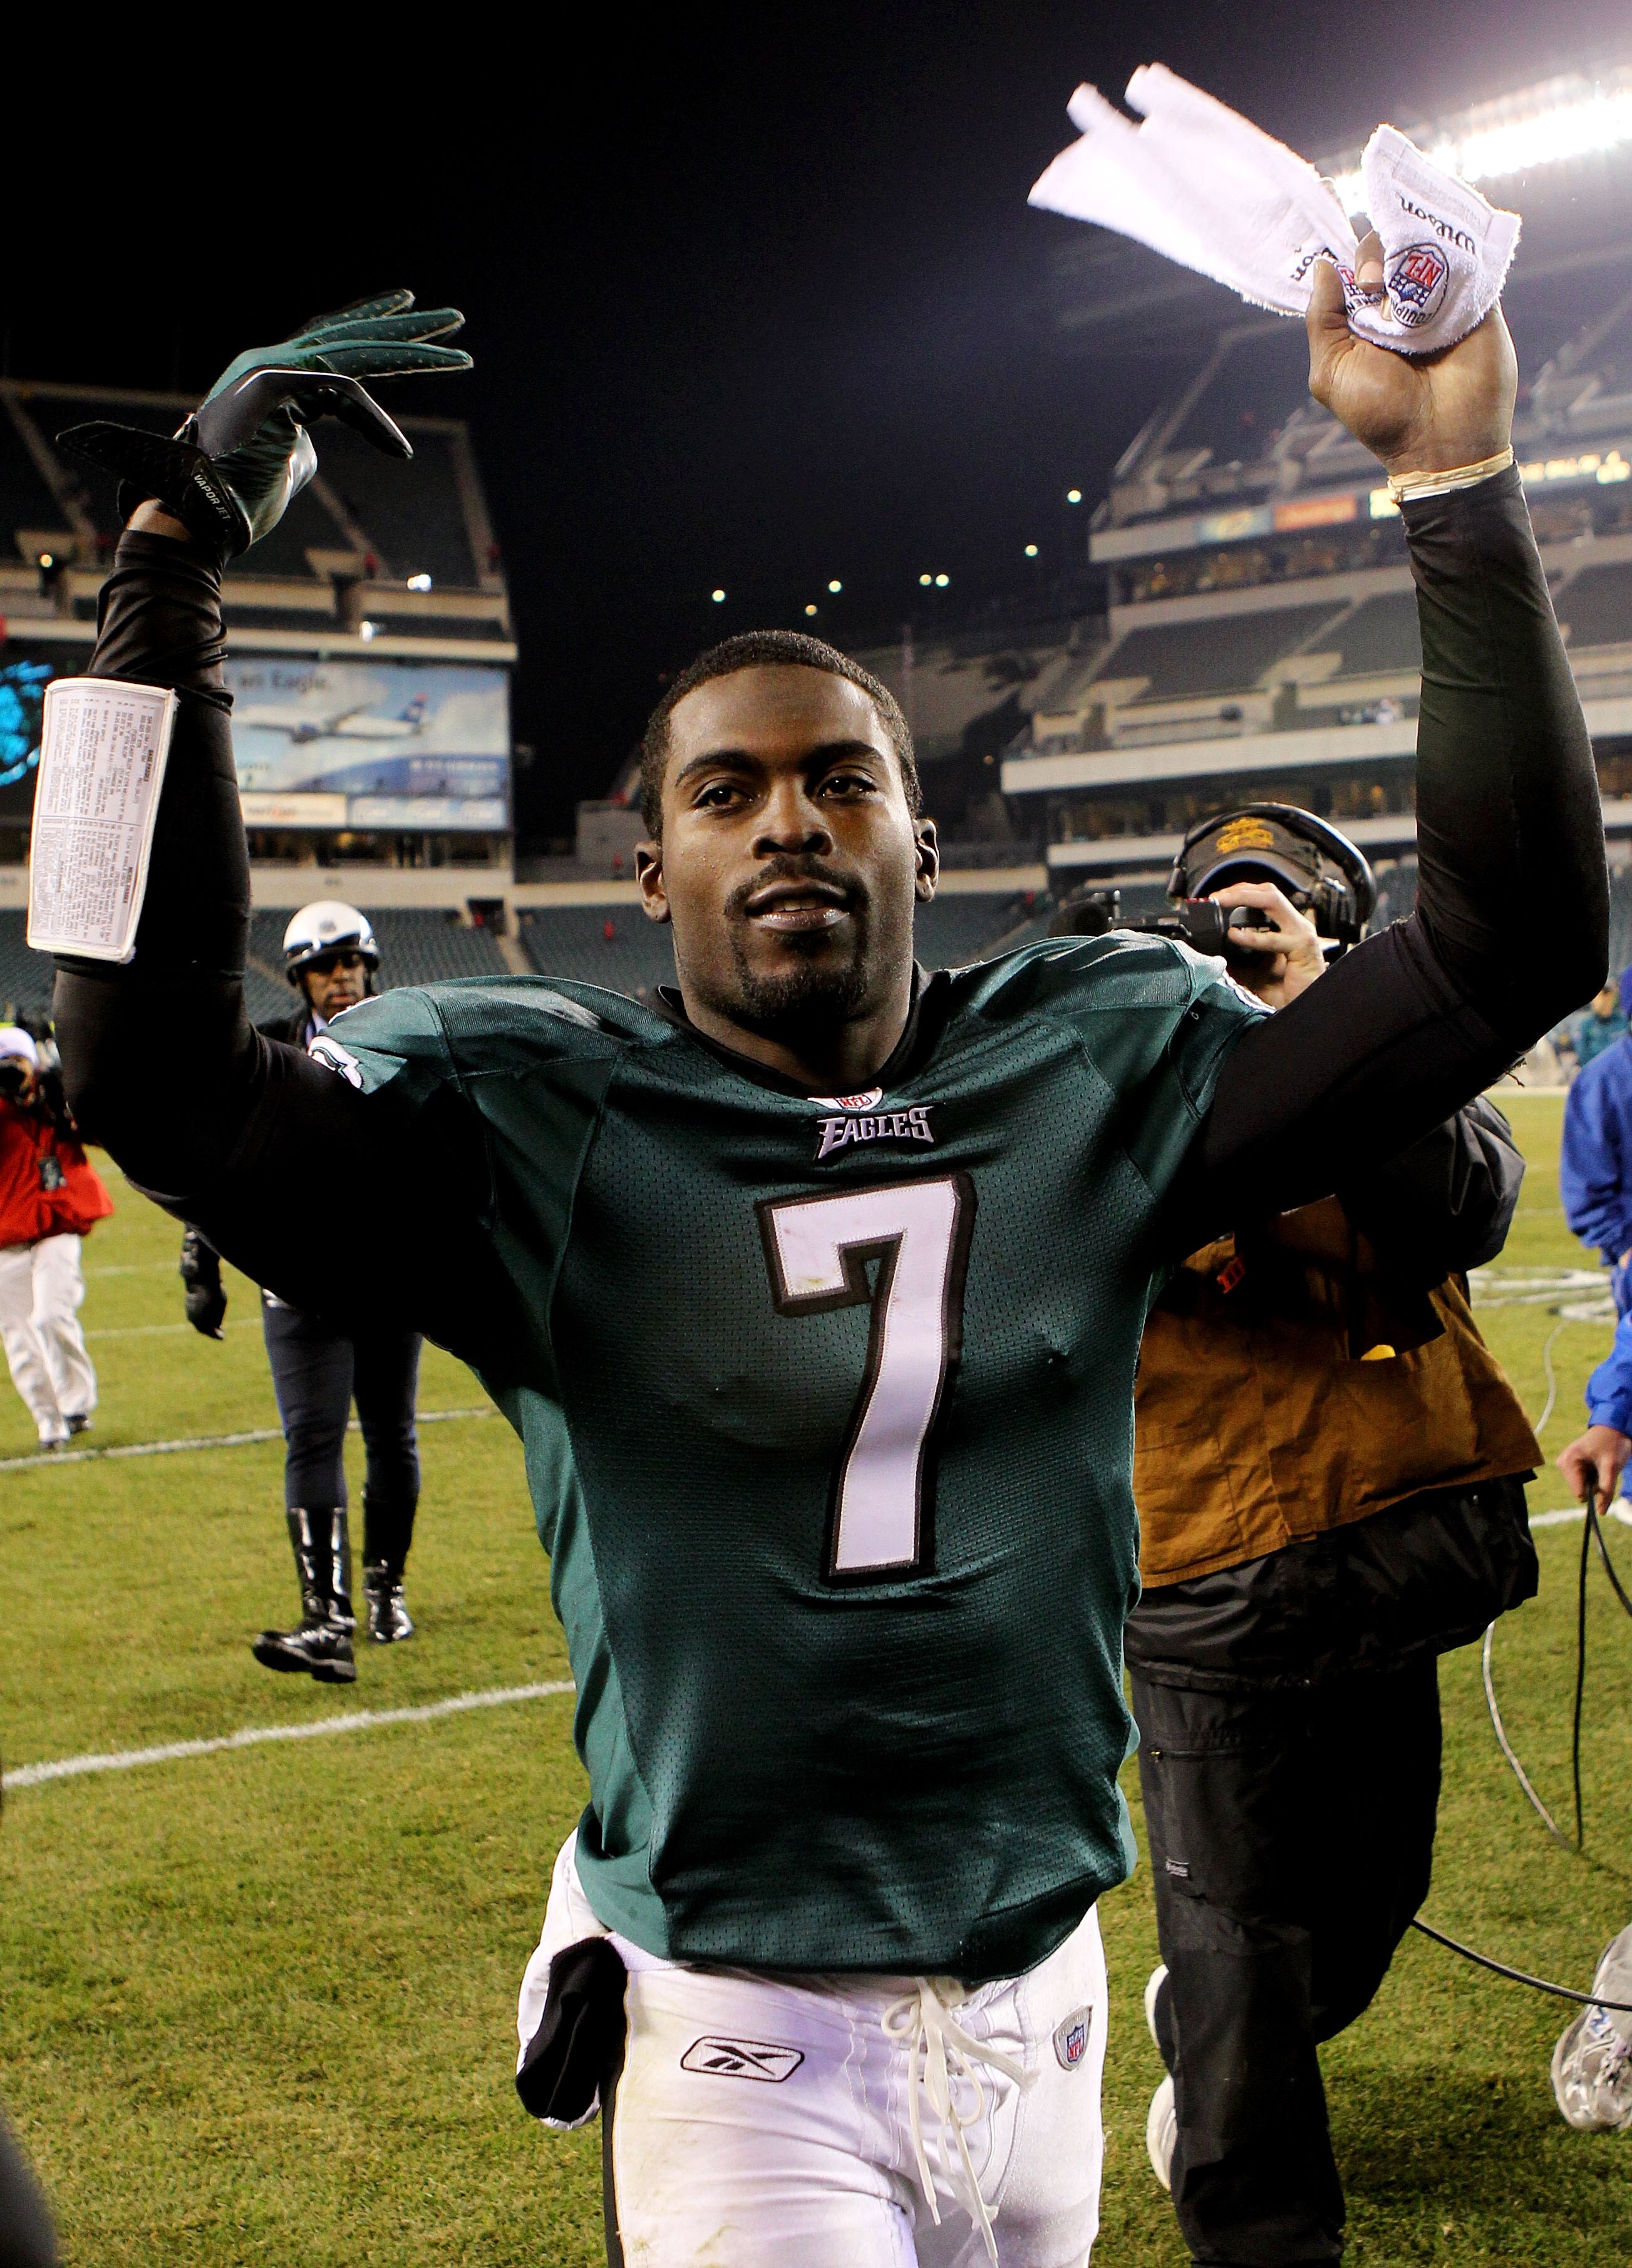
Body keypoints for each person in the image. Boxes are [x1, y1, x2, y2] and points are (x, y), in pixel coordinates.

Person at [49, 264, 1604, 2268]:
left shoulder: (1088, 1055)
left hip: (1039, 1999)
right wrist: (169, 563)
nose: (787, 820)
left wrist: (1456, 480)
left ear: (917, 838)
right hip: (741, 2042)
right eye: (725, 790)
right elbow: (142, 1067)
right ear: (649, 872)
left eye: (838, 776)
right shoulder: (549, 1125)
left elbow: (1502, 948)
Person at [1080, 810, 1541, 2268]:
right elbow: (1101, 1229)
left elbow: (1467, 1205)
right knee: (1240, 1945)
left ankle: (1215, 2031)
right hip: (1207, 1553)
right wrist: (1205, 1033)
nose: (1242, 934)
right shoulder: (1121, 1055)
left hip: (1380, 1543)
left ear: (1335, 928)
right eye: (1218, 914)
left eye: (1270, 914)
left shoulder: (1393, 1044)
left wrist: (1325, 1031)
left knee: (1373, 1899)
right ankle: (1258, 2209)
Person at [177, 904, 423, 1684]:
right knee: (312, 1438)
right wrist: (201, 1258)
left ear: (370, 965)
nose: (341, 976)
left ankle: (385, 1586)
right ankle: (328, 1617)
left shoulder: (414, 1040)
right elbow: (225, 1162)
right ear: (301, 977)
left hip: (388, 1274)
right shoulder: (267, 1051)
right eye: (325, 965)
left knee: (390, 1436)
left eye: (351, 961)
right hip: (295, 1278)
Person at [0, 1025, 111, 1448]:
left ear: (34, 1063)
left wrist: (65, 1102)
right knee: (21, 1339)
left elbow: (103, 1137)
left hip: (58, 1226)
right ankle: (49, 1422)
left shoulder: (58, 1096)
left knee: (50, 1315)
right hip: (5, 1236)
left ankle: (76, 1406)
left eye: (16, 1065)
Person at [1574, 974, 1628, 1068]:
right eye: (1602, 996)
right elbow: (1583, 1055)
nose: (1606, 1000)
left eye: (1609, 995)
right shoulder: (1586, 1025)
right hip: (1597, 1072)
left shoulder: (1623, 1022)